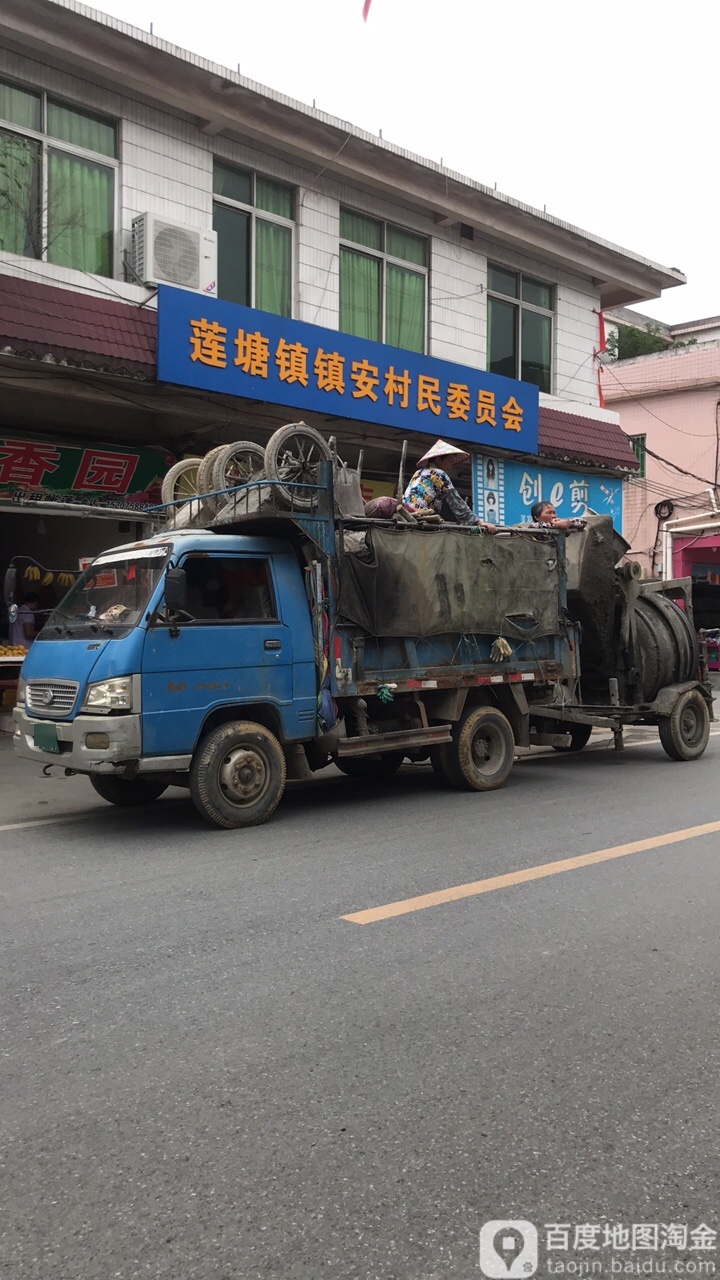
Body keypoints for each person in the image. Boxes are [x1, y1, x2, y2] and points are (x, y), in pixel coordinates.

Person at [402, 440, 496, 532]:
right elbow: (457, 503)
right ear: (439, 459)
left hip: (405, 516)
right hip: (419, 519)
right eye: (450, 460)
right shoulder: (439, 474)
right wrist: (479, 522)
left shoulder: (418, 472)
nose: (452, 464)